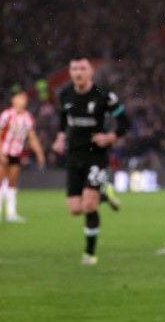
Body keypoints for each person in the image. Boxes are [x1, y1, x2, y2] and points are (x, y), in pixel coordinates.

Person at [52, 56, 128, 265]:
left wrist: (110, 137)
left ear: (91, 72)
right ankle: (104, 192)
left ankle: (90, 253)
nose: (78, 73)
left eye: (83, 68)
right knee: (75, 209)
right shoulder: (65, 94)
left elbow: (124, 122)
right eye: (74, 68)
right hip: (74, 155)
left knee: (89, 205)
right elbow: (63, 120)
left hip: (96, 154)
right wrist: (60, 138)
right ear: (69, 72)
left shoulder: (105, 96)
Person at [0, 89, 46, 223]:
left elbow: (32, 137)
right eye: (20, 97)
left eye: (25, 98)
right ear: (14, 100)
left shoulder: (28, 117)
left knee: (12, 182)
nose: (23, 100)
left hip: (16, 153)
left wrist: (39, 153)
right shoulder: (7, 114)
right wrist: (0, 152)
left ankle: (11, 213)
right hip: (3, 151)